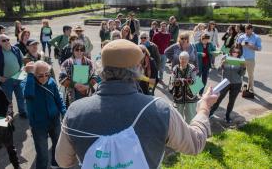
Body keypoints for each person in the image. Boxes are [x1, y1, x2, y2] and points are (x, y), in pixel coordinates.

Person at [55, 39, 219, 169]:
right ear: (138, 69)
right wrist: (204, 107)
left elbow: (63, 161)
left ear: (101, 68)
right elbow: (194, 144)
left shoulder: (75, 111)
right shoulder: (159, 109)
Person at [22, 61, 66, 169]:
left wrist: (64, 111)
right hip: (38, 125)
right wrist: (30, 75)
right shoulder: (27, 82)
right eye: (40, 75)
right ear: (34, 74)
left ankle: (55, 164)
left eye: (47, 74)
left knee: (57, 145)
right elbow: (28, 94)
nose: (44, 78)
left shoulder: (51, 82)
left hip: (54, 121)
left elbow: (58, 98)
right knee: (42, 154)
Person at [0, 34, 27, 118]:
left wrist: (22, 70)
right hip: (6, 81)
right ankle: (10, 113)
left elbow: (23, 61)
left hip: (18, 78)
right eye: (3, 40)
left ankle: (22, 111)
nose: (6, 41)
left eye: (7, 39)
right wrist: (0, 78)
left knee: (20, 96)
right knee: (8, 99)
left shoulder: (16, 49)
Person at [209, 45, 246, 123]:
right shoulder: (225, 57)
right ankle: (210, 113)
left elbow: (242, 74)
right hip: (225, 82)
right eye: (233, 51)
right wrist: (222, 64)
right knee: (218, 98)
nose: (235, 53)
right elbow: (218, 71)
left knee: (231, 101)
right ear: (231, 51)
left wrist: (243, 67)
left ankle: (227, 116)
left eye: (237, 52)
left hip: (236, 83)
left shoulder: (241, 59)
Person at [59, 40, 97, 106]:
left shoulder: (89, 62)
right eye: (77, 49)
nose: (79, 52)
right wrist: (74, 85)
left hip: (87, 93)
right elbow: (61, 78)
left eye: (81, 49)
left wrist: (87, 86)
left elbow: (95, 76)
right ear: (73, 50)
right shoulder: (66, 63)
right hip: (72, 93)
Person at [171, 51, 199, 123]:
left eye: (185, 59)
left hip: (191, 96)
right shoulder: (175, 68)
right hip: (178, 96)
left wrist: (180, 81)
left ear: (188, 59)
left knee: (191, 117)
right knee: (178, 118)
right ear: (179, 59)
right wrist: (186, 81)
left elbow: (194, 82)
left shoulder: (192, 68)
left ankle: (191, 132)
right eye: (181, 58)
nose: (183, 60)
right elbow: (173, 82)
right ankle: (180, 132)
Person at [237, 24, 262, 93]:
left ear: (251, 29)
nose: (246, 32)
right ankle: (238, 87)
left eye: (248, 30)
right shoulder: (242, 36)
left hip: (250, 59)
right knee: (240, 74)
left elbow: (259, 48)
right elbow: (237, 46)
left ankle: (250, 89)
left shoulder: (257, 37)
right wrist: (241, 44)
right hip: (241, 58)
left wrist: (252, 46)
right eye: (245, 30)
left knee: (250, 75)